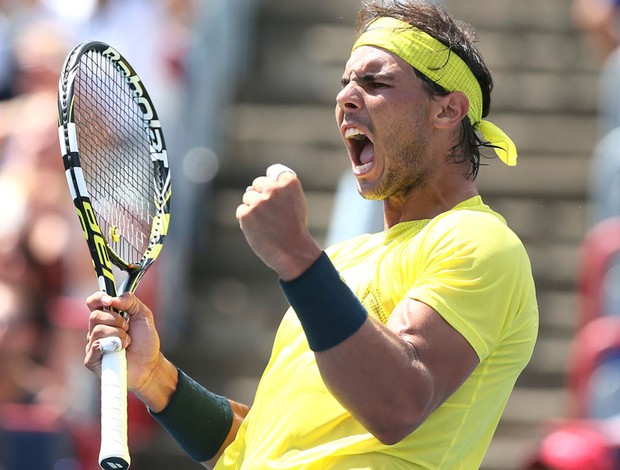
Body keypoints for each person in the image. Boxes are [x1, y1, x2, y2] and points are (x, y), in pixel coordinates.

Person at [84, 1, 539, 468]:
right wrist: (155, 376)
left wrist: (298, 257)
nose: (346, 97)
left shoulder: (480, 241)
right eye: (344, 83)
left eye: (375, 82)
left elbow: (397, 403)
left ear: (448, 110)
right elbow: (251, 448)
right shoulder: (337, 263)